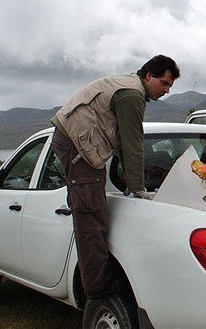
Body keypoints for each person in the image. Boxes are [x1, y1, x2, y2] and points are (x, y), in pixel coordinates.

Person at [50, 55, 180, 299]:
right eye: (164, 83)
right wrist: (138, 188)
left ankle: (96, 276)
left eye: (170, 87)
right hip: (76, 142)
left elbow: (123, 140)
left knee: (90, 203)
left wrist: (132, 181)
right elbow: (133, 143)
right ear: (149, 75)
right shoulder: (131, 95)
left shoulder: (130, 87)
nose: (166, 90)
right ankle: (99, 287)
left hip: (75, 140)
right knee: (91, 211)